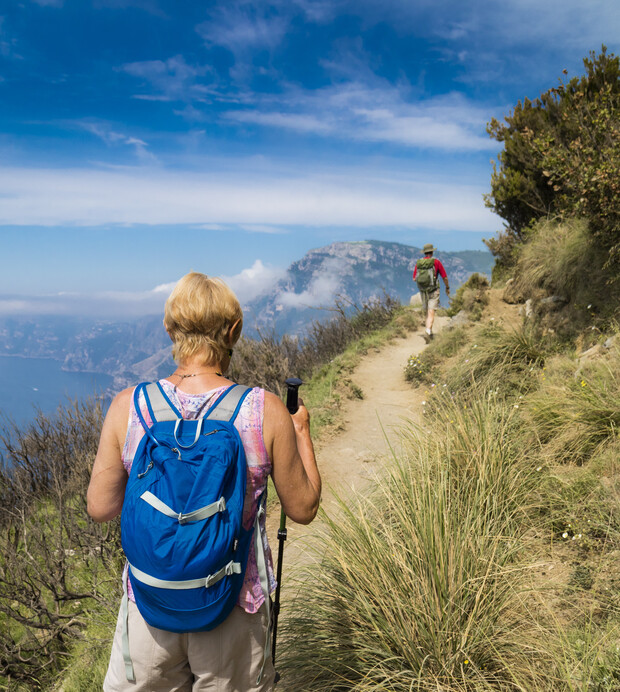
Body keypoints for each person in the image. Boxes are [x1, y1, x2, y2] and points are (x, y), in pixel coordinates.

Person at [87, 272, 321, 692]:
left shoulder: (129, 406)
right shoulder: (262, 410)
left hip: (150, 603)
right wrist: (301, 433)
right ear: (234, 330)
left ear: (169, 328)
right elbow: (303, 508)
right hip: (234, 604)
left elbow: (100, 508)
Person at [413, 243, 450, 342]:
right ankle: (428, 331)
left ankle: (428, 331)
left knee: (427, 311)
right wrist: (447, 287)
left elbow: (414, 278)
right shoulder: (436, 262)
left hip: (423, 291)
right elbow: (444, 277)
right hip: (433, 290)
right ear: (432, 252)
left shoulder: (419, 263)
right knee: (431, 311)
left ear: (425, 253)